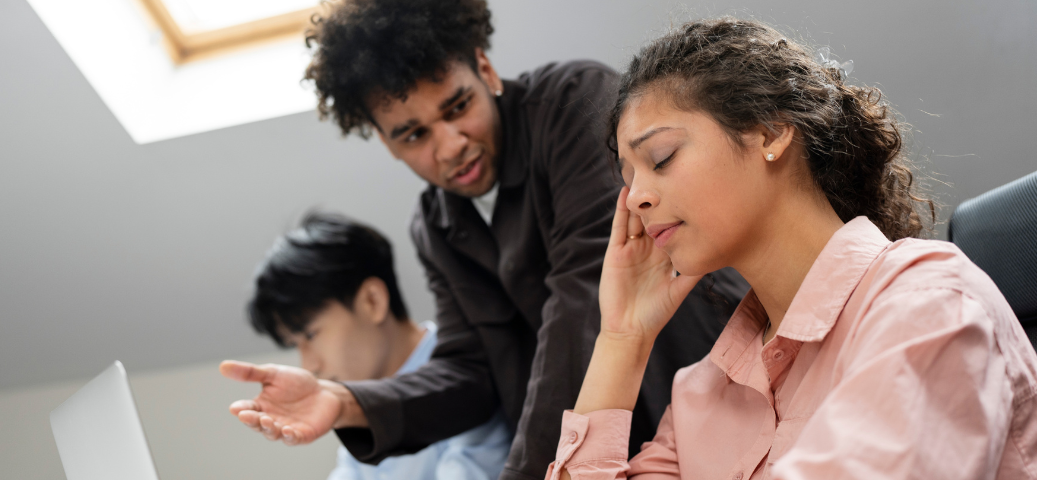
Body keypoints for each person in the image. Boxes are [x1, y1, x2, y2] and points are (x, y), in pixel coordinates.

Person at [219, 1, 749, 479]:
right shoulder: (435, 227)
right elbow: (468, 372)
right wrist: (346, 401)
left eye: (456, 108)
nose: (450, 146)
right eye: (413, 134)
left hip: (713, 390)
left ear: (486, 69)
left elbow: (585, 300)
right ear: (386, 143)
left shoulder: (571, 102)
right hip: (612, 453)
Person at [544, 17, 1037, 480]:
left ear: (772, 132)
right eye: (628, 181)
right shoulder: (701, 394)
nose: (636, 198)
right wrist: (622, 339)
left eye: (661, 157)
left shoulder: (929, 306)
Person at [226, 211, 511, 480]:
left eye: (311, 335)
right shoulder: (357, 405)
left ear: (372, 301)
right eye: (294, 344)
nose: (310, 365)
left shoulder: (471, 378)